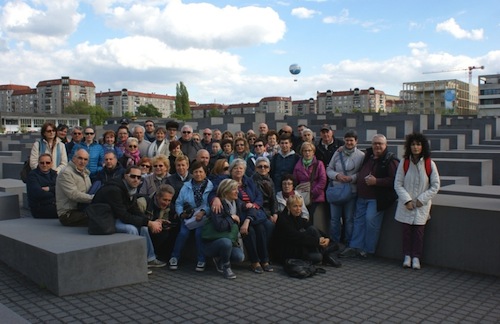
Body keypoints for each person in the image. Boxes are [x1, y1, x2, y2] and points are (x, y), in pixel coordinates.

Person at [92, 166, 166, 272]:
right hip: (104, 220)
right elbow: (124, 216)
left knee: (144, 227)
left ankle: (150, 259)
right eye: (133, 176)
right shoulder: (114, 190)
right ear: (125, 176)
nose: (136, 179)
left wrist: (150, 222)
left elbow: (134, 209)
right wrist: (149, 222)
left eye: (139, 177)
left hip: (115, 217)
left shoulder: (130, 188)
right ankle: (136, 263)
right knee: (132, 229)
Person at [340, 134, 399, 258]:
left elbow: (395, 180)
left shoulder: (391, 160)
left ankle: (368, 249)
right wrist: (341, 149)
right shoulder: (368, 156)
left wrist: (377, 181)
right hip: (362, 196)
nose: (377, 146)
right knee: (358, 222)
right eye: (375, 143)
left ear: (385, 145)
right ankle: (355, 246)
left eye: (380, 143)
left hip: (376, 198)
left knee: (371, 222)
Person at [211, 159, 274, 273]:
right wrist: (215, 199)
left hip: (251, 211)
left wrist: (254, 205)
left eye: (241, 168)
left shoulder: (248, 181)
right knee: (251, 231)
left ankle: (265, 260)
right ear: (231, 170)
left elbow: (258, 195)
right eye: (235, 168)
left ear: (244, 170)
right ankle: (255, 261)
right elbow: (214, 192)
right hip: (240, 213)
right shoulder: (225, 180)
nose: (238, 170)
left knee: (262, 228)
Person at [394, 132, 440, 270]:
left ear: (423, 146)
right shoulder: (404, 163)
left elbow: (435, 185)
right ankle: (407, 256)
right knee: (406, 233)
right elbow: (398, 183)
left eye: (418, 144)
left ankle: (416, 258)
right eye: (413, 144)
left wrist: (421, 200)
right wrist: (407, 200)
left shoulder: (429, 163)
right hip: (406, 205)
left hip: (421, 206)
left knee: (419, 234)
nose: (415, 147)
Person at [169, 161, 213, 272]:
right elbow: (179, 202)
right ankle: (174, 257)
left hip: (203, 217)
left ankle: (201, 259)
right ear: (192, 173)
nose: (198, 174)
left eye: (200, 172)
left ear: (205, 173)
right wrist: (181, 214)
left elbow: (211, 203)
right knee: (183, 233)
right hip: (189, 216)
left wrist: (203, 212)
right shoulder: (186, 186)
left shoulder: (210, 186)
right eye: (195, 172)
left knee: (199, 234)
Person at [274, 195, 341, 267]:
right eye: (295, 206)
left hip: (297, 246)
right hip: (287, 251)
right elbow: (296, 237)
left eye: (300, 206)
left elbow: (311, 227)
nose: (298, 209)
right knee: (318, 257)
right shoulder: (283, 219)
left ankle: (325, 253)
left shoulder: (297, 216)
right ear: (288, 207)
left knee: (312, 229)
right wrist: (317, 241)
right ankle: (326, 254)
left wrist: (326, 238)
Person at [326, 129, 365, 246]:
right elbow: (329, 169)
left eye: (351, 141)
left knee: (349, 219)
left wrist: (351, 178)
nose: (349, 143)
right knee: (334, 220)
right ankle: (335, 242)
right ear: (344, 140)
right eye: (347, 140)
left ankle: (349, 242)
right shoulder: (338, 153)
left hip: (351, 192)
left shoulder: (361, 156)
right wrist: (337, 176)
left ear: (356, 141)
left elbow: (362, 173)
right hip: (336, 190)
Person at [202, 179, 245, 279]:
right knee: (225, 243)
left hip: (231, 238)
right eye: (234, 189)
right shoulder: (218, 205)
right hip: (214, 241)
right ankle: (226, 266)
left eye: (237, 189)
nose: (237, 191)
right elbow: (220, 226)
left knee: (240, 257)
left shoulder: (237, 202)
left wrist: (247, 220)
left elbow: (250, 209)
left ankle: (220, 259)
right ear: (226, 191)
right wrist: (232, 218)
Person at [137, 184, 179, 262]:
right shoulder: (142, 202)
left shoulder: (168, 207)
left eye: (169, 200)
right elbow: (135, 219)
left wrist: (162, 223)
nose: (166, 203)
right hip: (139, 229)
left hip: (152, 229)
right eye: (164, 200)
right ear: (157, 197)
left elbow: (163, 218)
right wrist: (151, 223)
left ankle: (156, 254)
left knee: (165, 233)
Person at [56, 149, 93, 226]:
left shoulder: (85, 173)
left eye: (85, 159)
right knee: (98, 217)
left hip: (83, 207)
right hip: (68, 214)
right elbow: (73, 194)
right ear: (73, 158)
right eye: (80, 158)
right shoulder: (66, 173)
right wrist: (93, 198)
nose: (82, 161)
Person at [293, 142, 327, 220]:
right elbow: (295, 180)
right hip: (302, 195)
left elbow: (323, 180)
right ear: (302, 152)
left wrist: (313, 192)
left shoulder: (319, 164)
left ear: (313, 152)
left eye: (309, 150)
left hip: (315, 196)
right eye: (305, 151)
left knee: (312, 217)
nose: (307, 153)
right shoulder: (297, 165)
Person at [26, 153, 58, 219]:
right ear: (38, 163)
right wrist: (55, 191)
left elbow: (61, 189)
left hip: (54, 204)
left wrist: (49, 189)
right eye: (42, 163)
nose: (45, 165)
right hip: (40, 208)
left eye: (47, 162)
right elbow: (38, 193)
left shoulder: (54, 174)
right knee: (65, 212)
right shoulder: (32, 175)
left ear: (51, 163)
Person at [252, 157, 278, 224]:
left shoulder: (270, 180)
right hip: (259, 210)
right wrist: (269, 216)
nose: (263, 168)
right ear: (256, 168)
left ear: (269, 169)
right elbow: (258, 201)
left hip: (269, 209)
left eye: (265, 166)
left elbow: (273, 198)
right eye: (260, 167)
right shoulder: (252, 181)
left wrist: (275, 213)